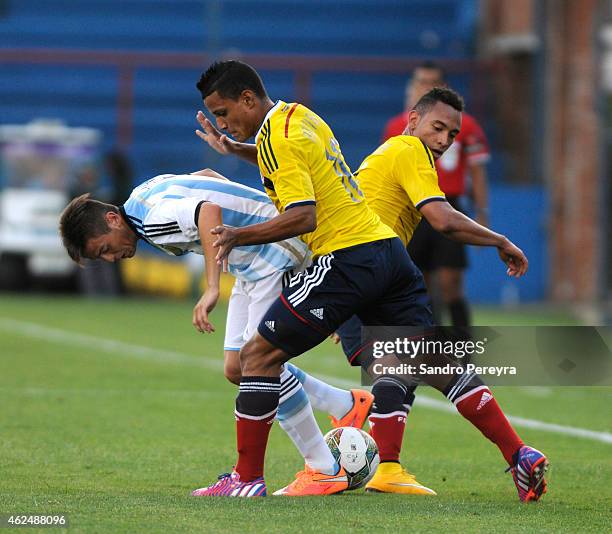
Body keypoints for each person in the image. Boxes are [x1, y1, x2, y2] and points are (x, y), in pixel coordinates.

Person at [191, 60, 548, 501]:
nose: (224, 121)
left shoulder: (397, 148)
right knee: (428, 364)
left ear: (248, 99)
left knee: (256, 357)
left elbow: (305, 216)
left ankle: (246, 479)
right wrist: (236, 147)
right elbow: (296, 160)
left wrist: (239, 234)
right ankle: (518, 455)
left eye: (224, 112)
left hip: (346, 258)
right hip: (389, 257)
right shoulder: (298, 117)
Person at [58, 171, 374, 496]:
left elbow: (206, 210)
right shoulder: (141, 195)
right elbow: (206, 177)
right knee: (237, 368)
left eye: (104, 249)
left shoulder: (151, 221)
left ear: (111, 219)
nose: (111, 258)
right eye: (103, 257)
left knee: (259, 363)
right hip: (248, 262)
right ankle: (343, 404)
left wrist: (211, 287)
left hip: (272, 251)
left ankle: (321, 468)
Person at [383, 61, 490, 328]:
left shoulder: (466, 125)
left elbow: (477, 171)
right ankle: (433, 352)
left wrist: (482, 212)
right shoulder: (398, 125)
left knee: (451, 283)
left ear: (442, 87)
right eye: (421, 81)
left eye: (432, 82)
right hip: (413, 210)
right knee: (421, 285)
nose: (425, 86)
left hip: (448, 204)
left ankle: (463, 354)